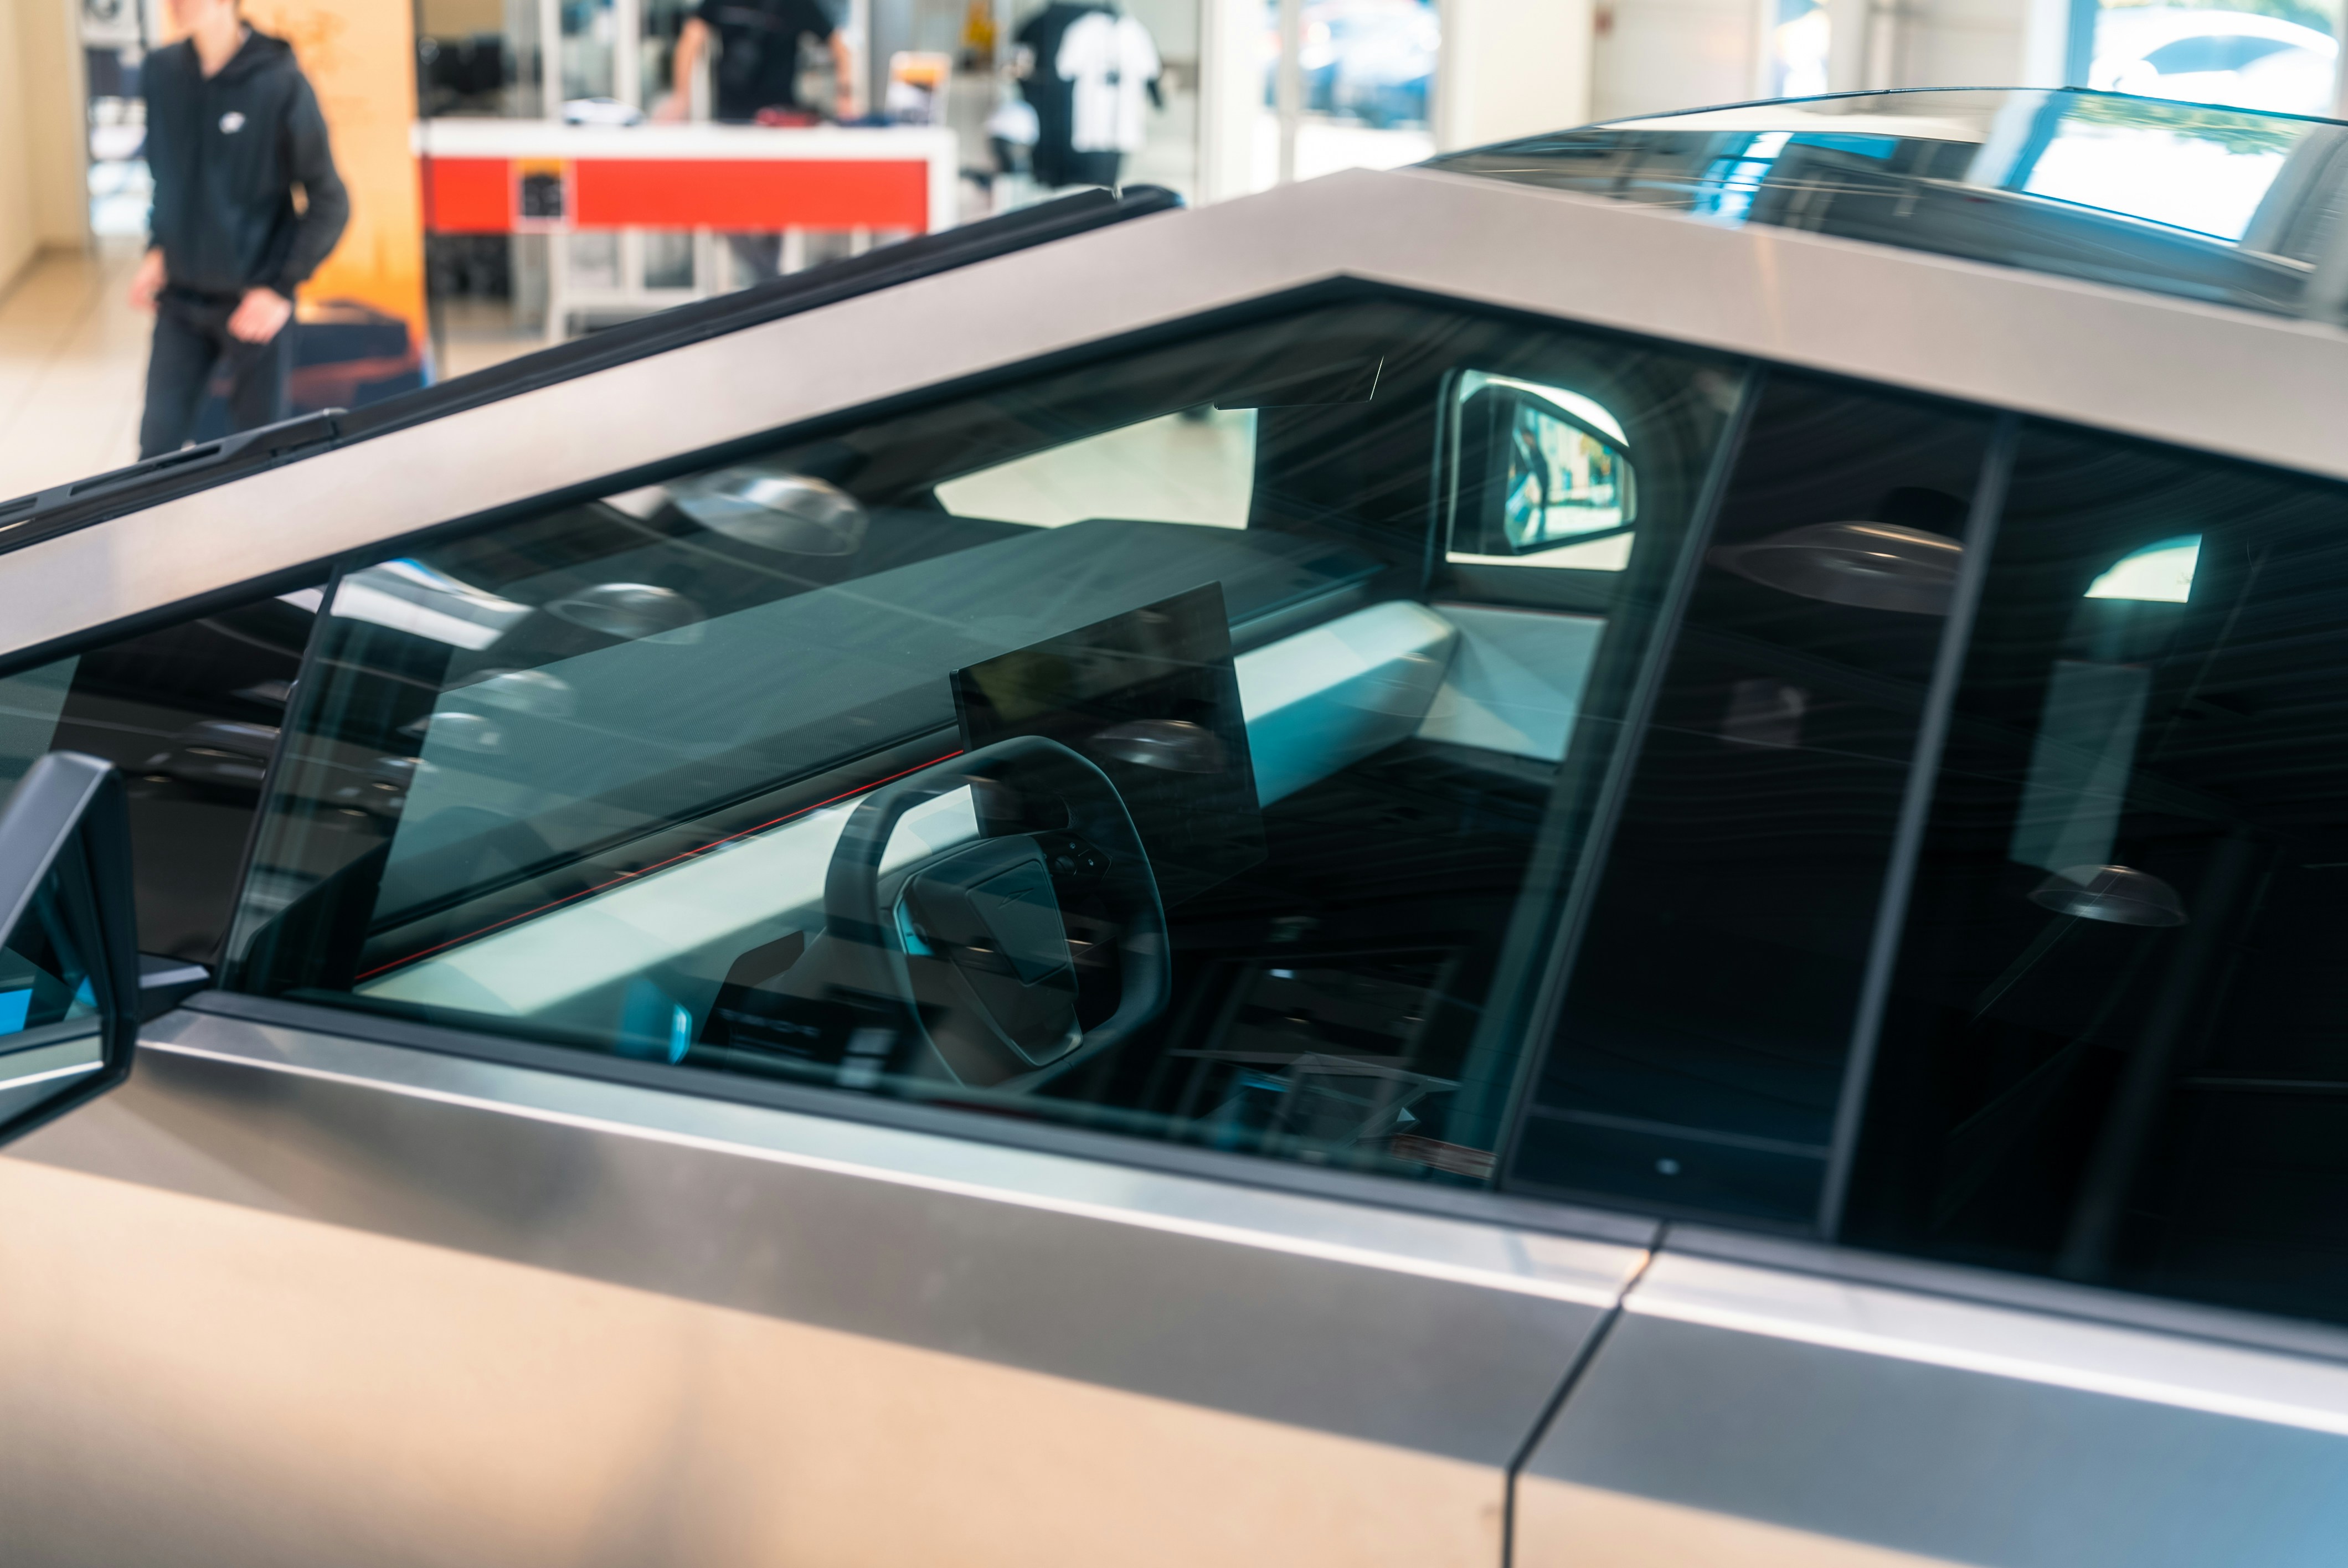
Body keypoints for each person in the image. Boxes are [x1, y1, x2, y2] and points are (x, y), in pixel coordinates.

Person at [129, 0, 348, 460]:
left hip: (255, 300)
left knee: (259, 454)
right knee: (155, 452)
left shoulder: (280, 80)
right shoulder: (161, 72)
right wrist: (159, 249)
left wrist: (279, 286)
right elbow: (167, 180)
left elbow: (331, 201)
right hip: (182, 300)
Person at [659, 0, 857, 283]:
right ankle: (770, 281)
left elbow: (839, 46)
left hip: (777, 125)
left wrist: (846, 98)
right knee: (721, 206)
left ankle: (767, 283)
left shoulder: (799, 6)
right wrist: (681, 97)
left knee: (775, 210)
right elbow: (692, 39)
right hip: (731, 122)